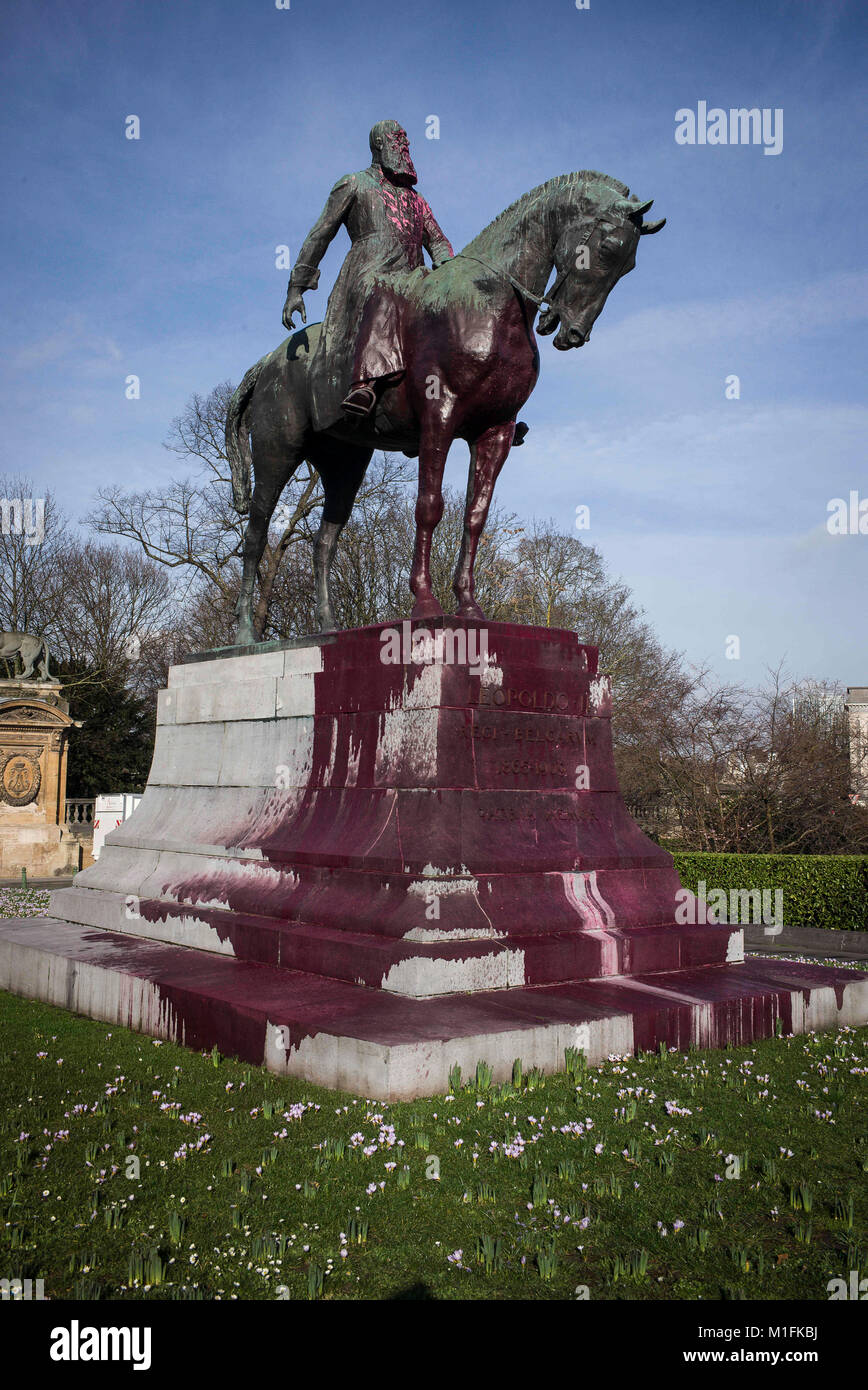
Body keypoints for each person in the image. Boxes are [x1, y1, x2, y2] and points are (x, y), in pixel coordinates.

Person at [282, 121, 454, 427]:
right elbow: (321, 234)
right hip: (368, 275)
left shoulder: (417, 200)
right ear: (378, 145)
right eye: (397, 142)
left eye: (406, 144)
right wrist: (297, 286)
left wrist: (448, 267)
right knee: (385, 294)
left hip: (413, 278)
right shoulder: (355, 183)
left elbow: (437, 241)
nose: (404, 149)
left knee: (450, 308)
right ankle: (363, 385)